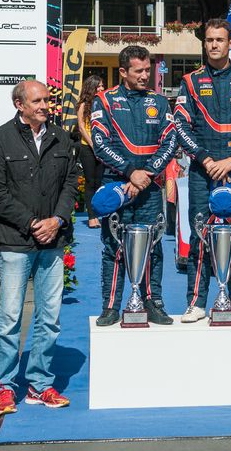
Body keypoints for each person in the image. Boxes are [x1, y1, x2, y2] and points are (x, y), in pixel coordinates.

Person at [0, 80, 80, 415]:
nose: (45, 105)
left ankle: (39, 384)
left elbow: (70, 184)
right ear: (18, 104)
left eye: (47, 100)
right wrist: (31, 223)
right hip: (15, 242)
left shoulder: (61, 138)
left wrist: (58, 219)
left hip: (53, 241)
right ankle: (5, 387)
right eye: (37, 101)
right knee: (9, 316)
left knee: (49, 318)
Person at [174, 20, 231, 323]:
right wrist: (205, 159)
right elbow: (181, 126)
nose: (214, 45)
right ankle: (197, 301)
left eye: (220, 40)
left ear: (230, 44)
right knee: (200, 235)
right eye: (209, 40)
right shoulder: (190, 81)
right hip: (202, 170)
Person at [92, 46, 178, 327]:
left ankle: (153, 302)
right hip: (117, 185)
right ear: (123, 72)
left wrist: (148, 173)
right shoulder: (104, 101)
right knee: (113, 246)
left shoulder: (160, 102)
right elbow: (100, 144)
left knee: (153, 245)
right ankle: (111, 306)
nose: (145, 75)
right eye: (138, 71)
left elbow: (170, 142)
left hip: (150, 188)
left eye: (147, 70)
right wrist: (130, 173)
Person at [75, 74, 106, 229]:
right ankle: (91, 217)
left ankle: (99, 214)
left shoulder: (104, 103)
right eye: (98, 86)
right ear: (91, 87)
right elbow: (81, 127)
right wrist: (94, 145)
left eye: (102, 86)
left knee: (100, 182)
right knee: (90, 182)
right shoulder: (83, 105)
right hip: (87, 147)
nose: (101, 88)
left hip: (102, 147)